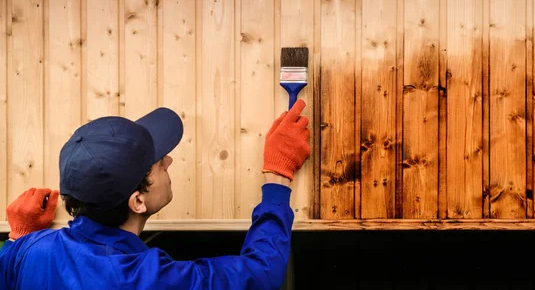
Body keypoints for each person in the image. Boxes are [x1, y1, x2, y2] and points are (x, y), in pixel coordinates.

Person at [0, 99, 311, 290]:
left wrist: (18, 239)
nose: (169, 161)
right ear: (137, 201)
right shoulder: (143, 280)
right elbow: (261, 274)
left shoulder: (32, 250)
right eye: (159, 165)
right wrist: (277, 176)